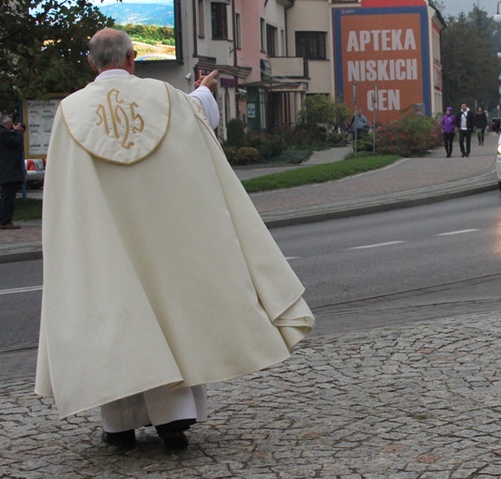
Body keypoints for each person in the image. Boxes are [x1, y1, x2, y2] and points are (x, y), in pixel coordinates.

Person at [34, 28, 314, 450]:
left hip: (106, 240)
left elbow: (62, 192)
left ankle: (120, 426)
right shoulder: (165, 98)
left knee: (116, 317)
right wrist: (203, 92)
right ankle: (173, 418)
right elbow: (194, 118)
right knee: (169, 312)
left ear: (92, 64)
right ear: (132, 59)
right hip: (161, 238)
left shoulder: (70, 111)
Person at [0, 114, 25, 230]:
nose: (12, 126)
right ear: (6, 124)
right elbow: (16, 142)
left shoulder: (4, 133)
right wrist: (18, 131)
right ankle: (5, 221)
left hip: (6, 171)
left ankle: (5, 219)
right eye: (10, 124)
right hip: (8, 170)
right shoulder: (3, 133)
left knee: (7, 196)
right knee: (8, 197)